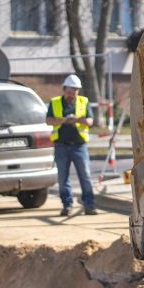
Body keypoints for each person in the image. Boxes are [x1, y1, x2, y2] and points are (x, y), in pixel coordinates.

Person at [46, 74, 97, 216]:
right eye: (69, 91)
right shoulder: (55, 102)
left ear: (78, 91)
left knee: (85, 176)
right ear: (64, 89)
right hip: (61, 146)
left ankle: (90, 205)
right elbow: (49, 120)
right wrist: (62, 120)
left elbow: (90, 121)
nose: (71, 94)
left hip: (79, 146)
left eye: (74, 91)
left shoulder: (83, 102)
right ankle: (67, 205)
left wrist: (77, 120)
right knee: (63, 178)